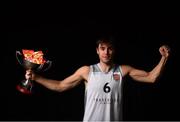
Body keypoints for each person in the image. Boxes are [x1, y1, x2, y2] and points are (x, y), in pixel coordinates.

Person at [25, 38, 170, 121]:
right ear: (97, 50)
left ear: (114, 50)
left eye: (110, 48)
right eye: (102, 48)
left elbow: (152, 77)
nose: (106, 52)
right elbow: (61, 86)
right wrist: (36, 77)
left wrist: (164, 57)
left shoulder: (123, 70)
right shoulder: (87, 71)